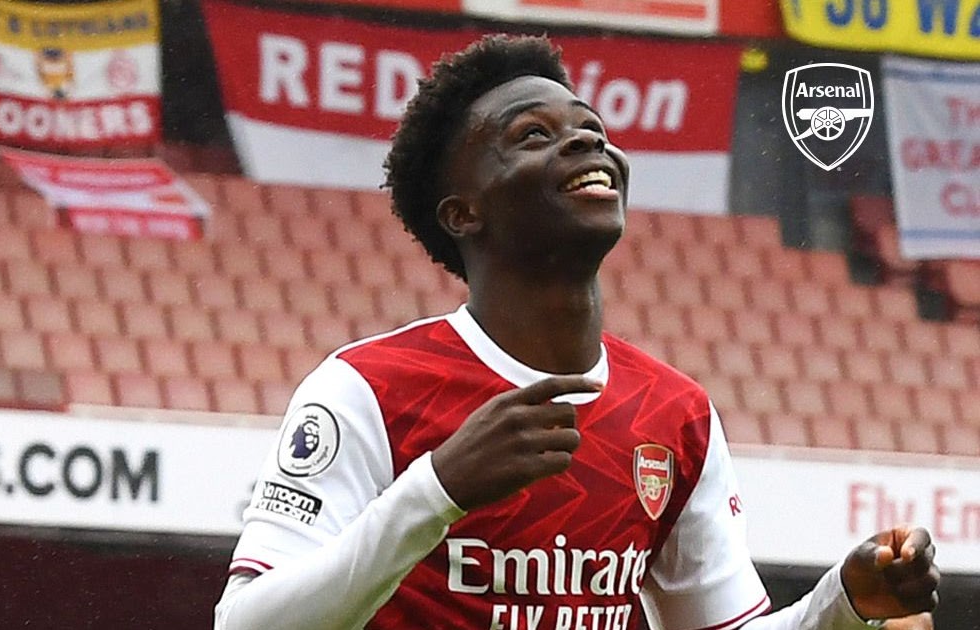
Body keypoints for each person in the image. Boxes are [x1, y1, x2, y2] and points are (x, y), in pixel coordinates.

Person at [214, 34, 939, 630]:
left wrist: (844, 606)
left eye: (592, 129)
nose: (587, 142)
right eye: (533, 135)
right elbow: (245, 623)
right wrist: (436, 490)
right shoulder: (368, 390)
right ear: (463, 213)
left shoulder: (674, 414)